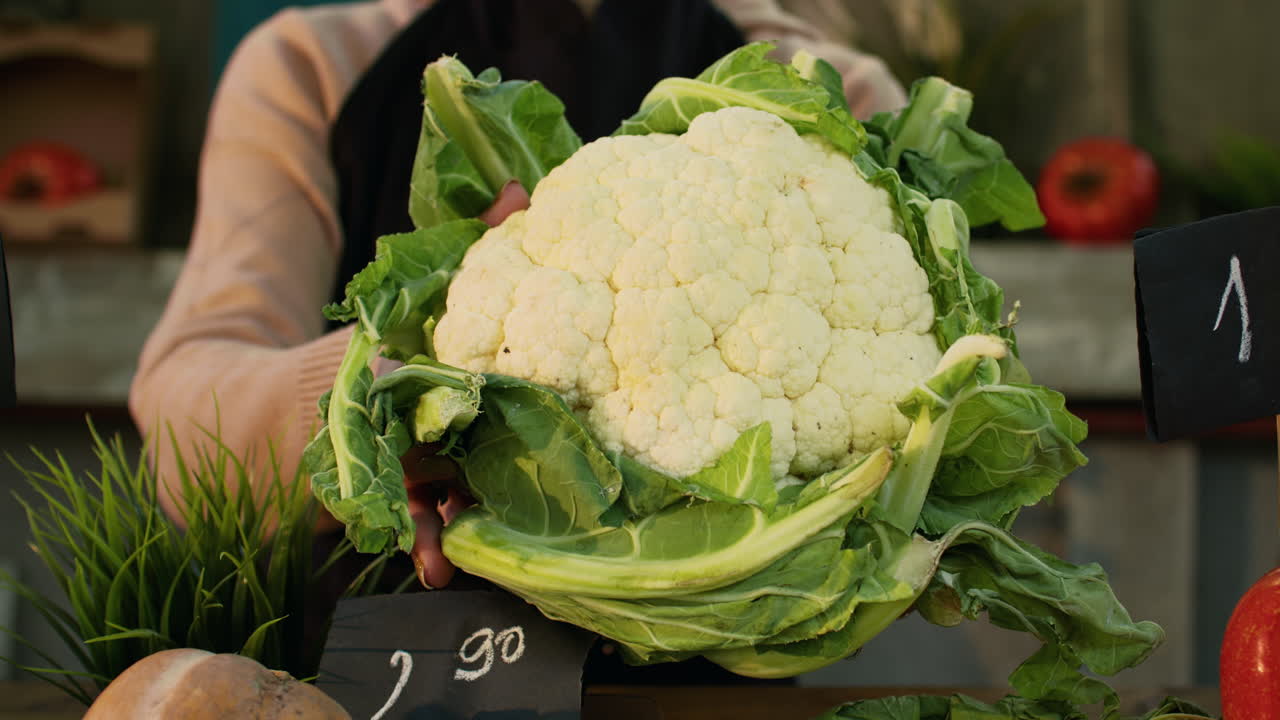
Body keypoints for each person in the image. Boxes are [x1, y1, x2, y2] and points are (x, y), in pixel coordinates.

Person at [129, 0, 907, 642]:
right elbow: (180, 434)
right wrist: (392, 393)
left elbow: (937, 440)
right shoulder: (312, 69)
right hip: (391, 680)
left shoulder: (837, 99)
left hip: (720, 696)